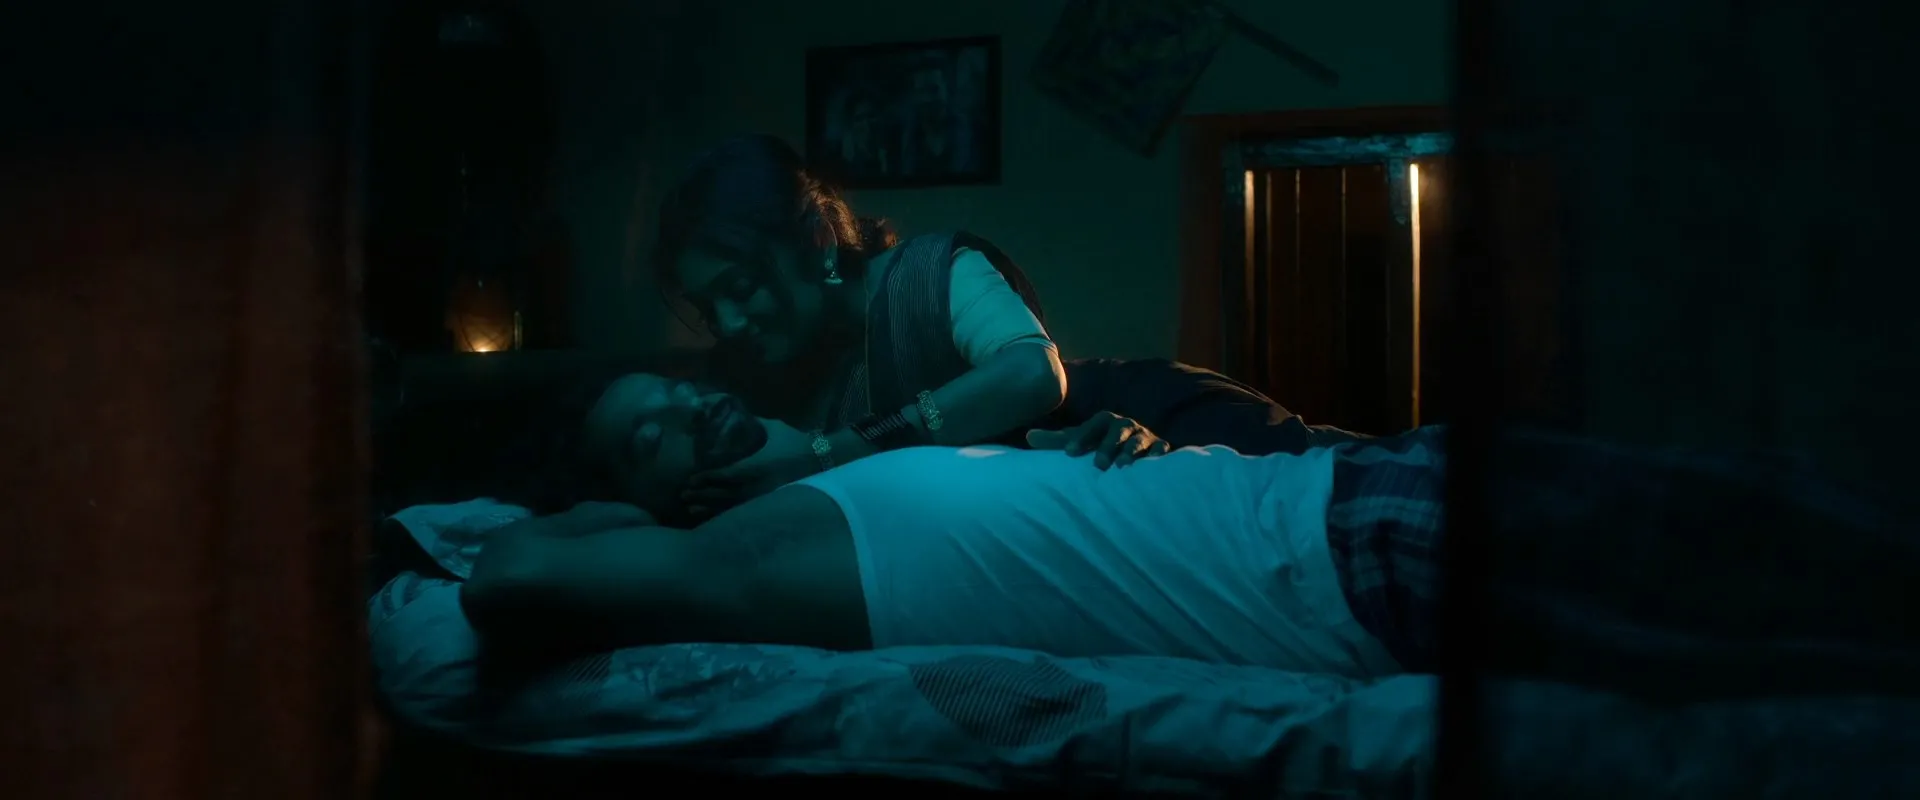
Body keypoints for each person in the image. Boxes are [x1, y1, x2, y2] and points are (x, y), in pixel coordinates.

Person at [455, 373, 1920, 690]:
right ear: (633, 501)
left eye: (677, 387)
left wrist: (1118, 446)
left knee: (1811, 531)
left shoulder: (867, 462)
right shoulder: (745, 558)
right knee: (1824, 584)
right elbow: (509, 574)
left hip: (1361, 493)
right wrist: (599, 507)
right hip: (1357, 557)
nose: (689, 404)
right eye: (646, 430)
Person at [653, 134, 1065, 512]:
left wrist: (827, 454)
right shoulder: (737, 379)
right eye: (707, 308)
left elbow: (1032, 372)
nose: (727, 323)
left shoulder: (927, 277)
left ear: (820, 242)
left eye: (741, 287)